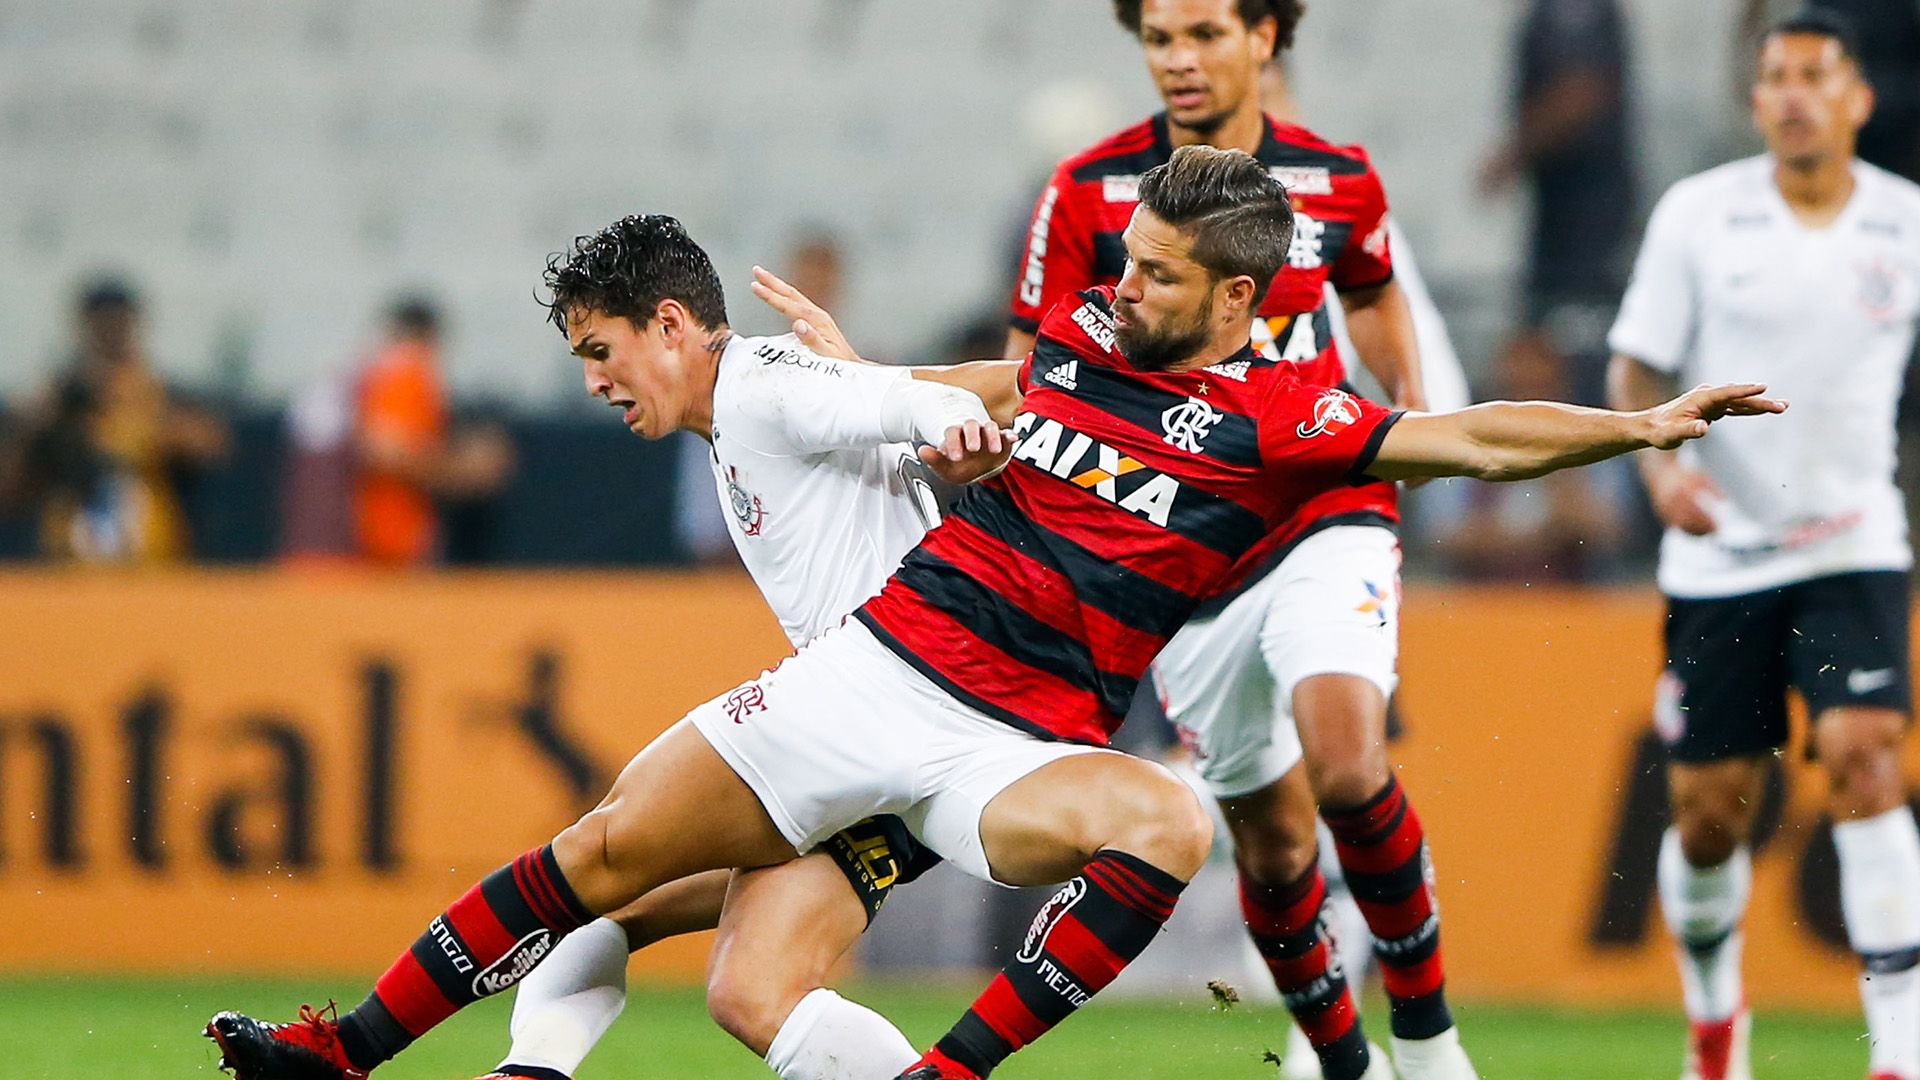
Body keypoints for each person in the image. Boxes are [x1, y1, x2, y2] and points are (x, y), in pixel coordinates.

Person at [208, 150, 1780, 1080]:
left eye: (1163, 273)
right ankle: (342, 1054)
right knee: (618, 876)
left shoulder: (1286, 421)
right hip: (886, 672)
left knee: (1168, 822)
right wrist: (864, 382)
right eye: (1135, 258)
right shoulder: (1085, 345)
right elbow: (978, 393)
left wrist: (1631, 430)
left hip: (1015, 740)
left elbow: (1470, 434)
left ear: (1236, 301)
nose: (1127, 286)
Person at [1009, 3, 1466, 1076]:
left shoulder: (1340, 178)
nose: (1179, 59)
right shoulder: (1084, 190)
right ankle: (1343, 1062)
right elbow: (1034, 363)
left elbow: (1375, 296)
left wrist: (1411, 413)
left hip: (1322, 506)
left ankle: (1433, 1041)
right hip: (1187, 547)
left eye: (1206, 32)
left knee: (1349, 760)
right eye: (1160, 38)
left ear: (1266, 37)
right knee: (1272, 846)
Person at [1605, 12, 1920, 1080]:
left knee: (1870, 758)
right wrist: (1661, 472)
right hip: (1721, 557)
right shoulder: (1700, 214)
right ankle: (1713, 1023)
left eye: (1813, 75)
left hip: (1852, 545)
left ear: (1857, 98)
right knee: (1706, 818)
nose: (1791, 94)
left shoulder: (1906, 222)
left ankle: (1900, 1054)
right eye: (1774, 77)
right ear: (1756, 101)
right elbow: (1633, 373)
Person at [1480, 0, 1638, 406]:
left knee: (1576, 350)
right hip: (1556, 214)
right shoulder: (1550, 13)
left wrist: (1513, 151)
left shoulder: (1583, 12)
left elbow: (1584, 92)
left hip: (1592, 217)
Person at [4, 278, 227, 563]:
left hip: (152, 557)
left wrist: (140, 424)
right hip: (68, 562)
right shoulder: (62, 398)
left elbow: (211, 443)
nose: (110, 333)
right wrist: (46, 423)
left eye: (118, 323)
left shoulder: (160, 392)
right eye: (102, 324)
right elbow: (14, 486)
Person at [350, 297, 512, 566]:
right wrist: (465, 469)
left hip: (387, 543)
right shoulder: (406, 373)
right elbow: (385, 450)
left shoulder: (378, 375)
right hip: (383, 547)